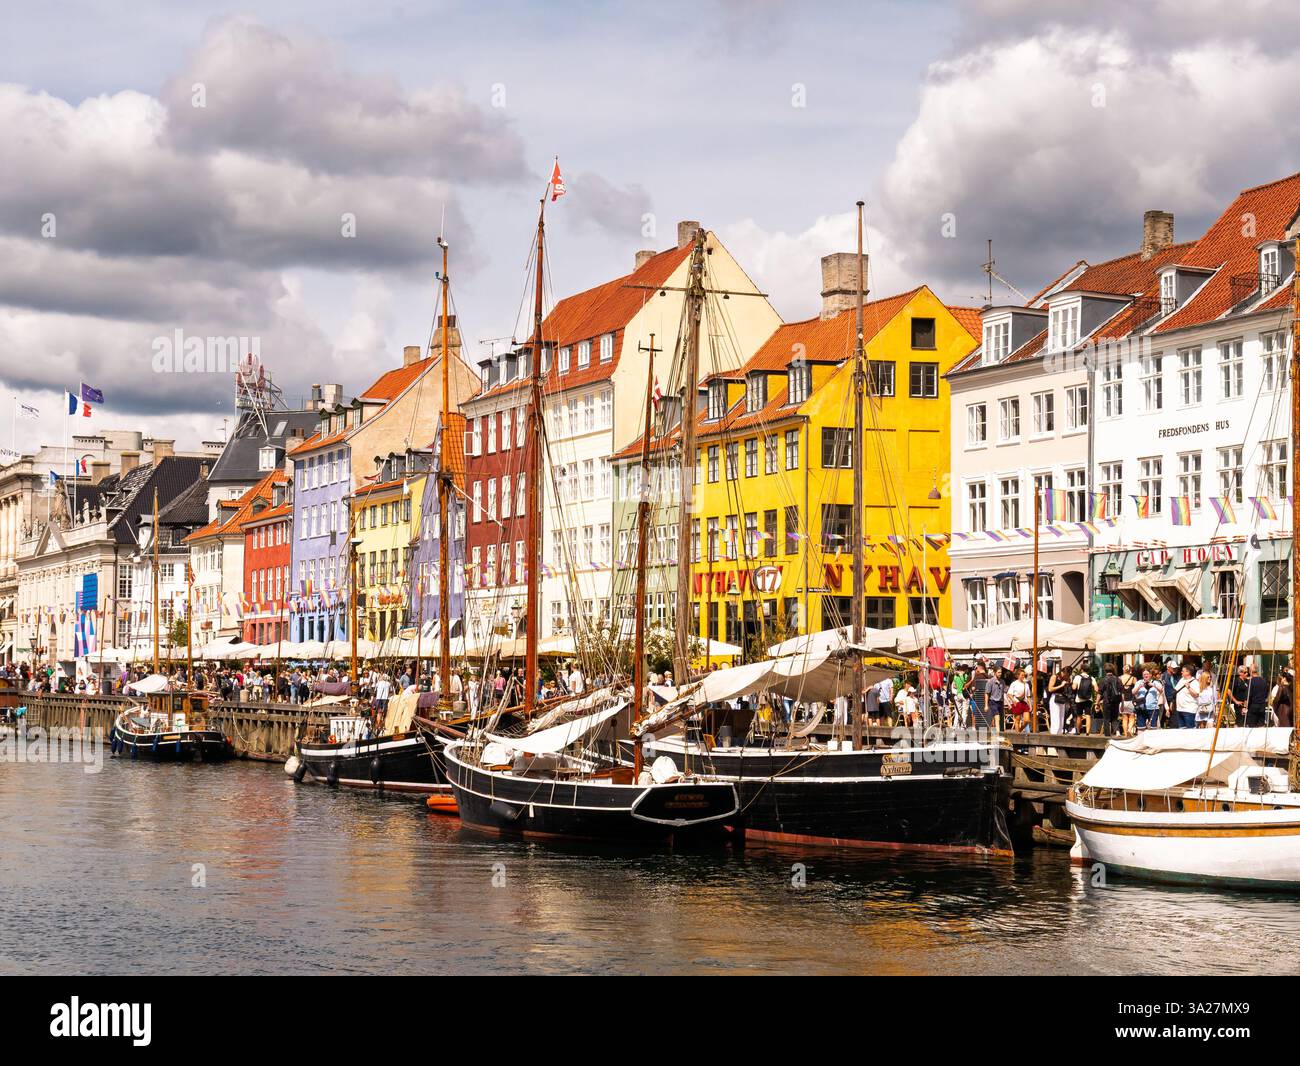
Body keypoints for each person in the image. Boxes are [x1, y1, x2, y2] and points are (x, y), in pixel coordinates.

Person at [1098, 663, 1122, 737]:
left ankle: (1107, 735)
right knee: (1115, 717)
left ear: (1105, 671)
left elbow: (1100, 693)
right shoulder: (1118, 679)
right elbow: (1121, 692)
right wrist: (1122, 703)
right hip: (1116, 701)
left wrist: (1097, 703)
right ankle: (1117, 732)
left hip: (1107, 701)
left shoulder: (1103, 680)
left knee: (1106, 718)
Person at [1173, 664, 1199, 729]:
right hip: (1180, 709)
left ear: (1188, 672)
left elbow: (1196, 695)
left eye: (1183, 671)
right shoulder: (1182, 680)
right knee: (1182, 730)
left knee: (1190, 731)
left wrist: (1189, 687)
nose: (1181, 672)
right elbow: (1176, 690)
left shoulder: (1194, 682)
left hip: (1189, 710)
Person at [1072, 666, 1095, 734]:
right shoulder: (1091, 678)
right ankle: (1087, 732)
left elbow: (1074, 687)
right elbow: (1096, 688)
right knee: (1088, 715)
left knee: (1079, 715)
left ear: (1081, 670)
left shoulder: (1077, 677)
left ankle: (1078, 731)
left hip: (1079, 699)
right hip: (1089, 699)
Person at [1046, 666, 1069, 734]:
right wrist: (1061, 685)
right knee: (1055, 719)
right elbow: (1050, 689)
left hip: (1062, 698)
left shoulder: (1063, 679)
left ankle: (1059, 736)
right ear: (1063, 672)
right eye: (1066, 675)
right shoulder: (1054, 677)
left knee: (1061, 719)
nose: (1067, 676)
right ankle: (1054, 735)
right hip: (1055, 698)